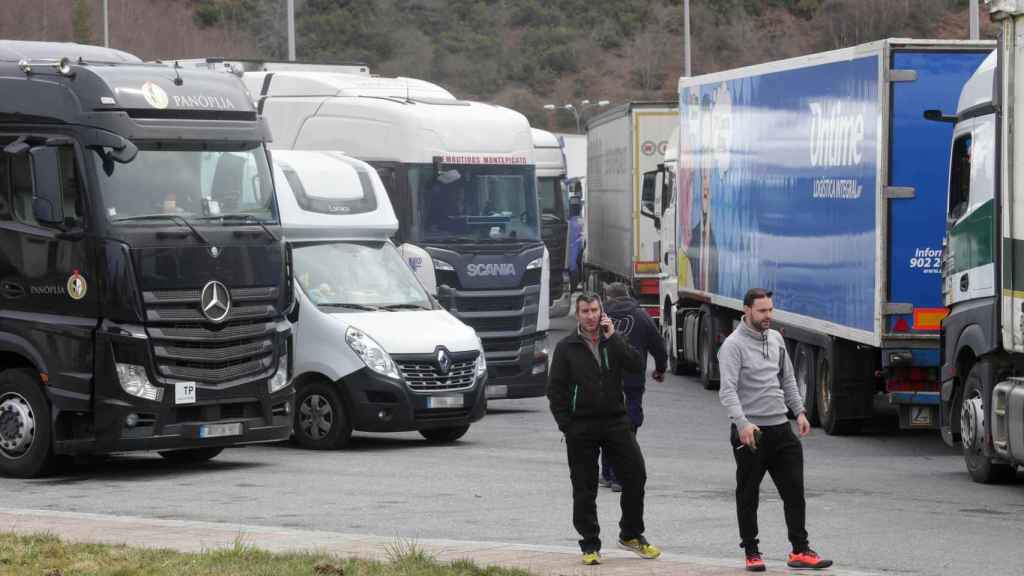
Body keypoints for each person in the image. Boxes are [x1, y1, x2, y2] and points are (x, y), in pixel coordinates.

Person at [718, 288, 833, 572]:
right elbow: (728, 391)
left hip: (781, 429)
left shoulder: (777, 339)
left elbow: (788, 379)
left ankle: (800, 550)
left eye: (770, 310)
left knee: (795, 492)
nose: (768, 316)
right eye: (762, 311)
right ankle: (752, 552)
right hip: (752, 433)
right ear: (747, 310)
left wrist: (800, 412)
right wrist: (742, 424)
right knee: (748, 495)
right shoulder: (733, 346)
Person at [547, 293, 661, 566]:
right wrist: (567, 425)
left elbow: (636, 365)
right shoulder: (566, 347)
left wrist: (615, 337)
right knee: (585, 487)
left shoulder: (613, 341)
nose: (590, 316)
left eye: (595, 310)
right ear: (578, 314)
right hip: (581, 426)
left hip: (615, 421)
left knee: (636, 475)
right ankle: (589, 543)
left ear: (602, 312)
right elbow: (555, 390)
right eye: (585, 311)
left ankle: (631, 534)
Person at [599, 282, 667, 492]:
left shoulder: (598, 318)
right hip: (633, 381)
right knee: (628, 426)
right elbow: (658, 345)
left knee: (607, 424)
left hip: (605, 382)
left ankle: (608, 473)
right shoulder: (642, 317)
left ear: (607, 298)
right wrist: (660, 369)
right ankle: (621, 476)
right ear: (627, 295)